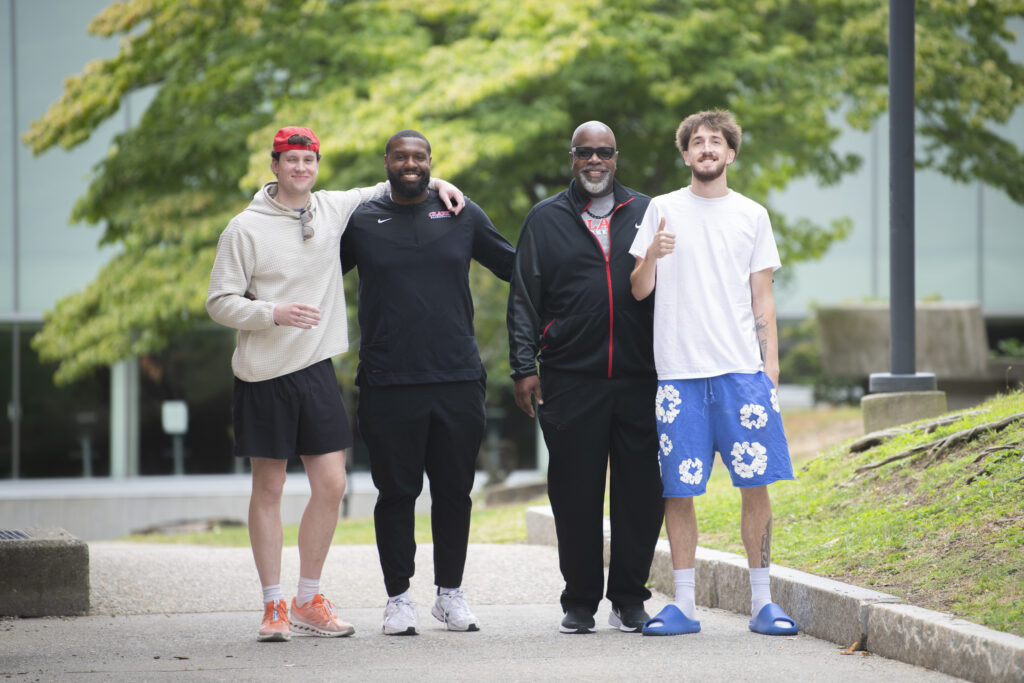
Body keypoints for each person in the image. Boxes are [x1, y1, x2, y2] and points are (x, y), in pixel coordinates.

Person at [206, 126, 465, 642]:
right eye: (291, 160)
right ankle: (273, 605)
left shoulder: (331, 208)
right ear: (275, 166)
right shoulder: (243, 228)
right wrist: (272, 312)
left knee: (332, 485)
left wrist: (444, 184)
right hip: (264, 374)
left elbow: (394, 180)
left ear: (316, 165)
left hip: (317, 369)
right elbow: (219, 302)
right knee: (270, 487)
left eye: (309, 159)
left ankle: (307, 598)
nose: (301, 168)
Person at [628, 110, 798, 637]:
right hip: (678, 374)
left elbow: (762, 296)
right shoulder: (661, 209)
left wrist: (769, 366)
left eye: (715, 142)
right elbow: (638, 289)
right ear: (685, 155)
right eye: (696, 142)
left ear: (730, 153)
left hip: (741, 372)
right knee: (679, 490)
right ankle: (683, 605)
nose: (706, 149)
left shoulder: (752, 214)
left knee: (757, 485)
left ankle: (763, 602)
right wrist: (651, 255)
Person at [341, 129, 515, 636]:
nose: (410, 164)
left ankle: (450, 595)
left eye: (419, 157)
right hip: (386, 379)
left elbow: (514, 267)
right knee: (396, 493)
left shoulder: (461, 213)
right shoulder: (362, 220)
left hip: (458, 377)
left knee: (455, 492)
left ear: (430, 162)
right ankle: (398, 598)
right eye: (401, 156)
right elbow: (316, 273)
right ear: (388, 162)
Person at [506, 121, 664, 634]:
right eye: (584, 153)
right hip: (570, 378)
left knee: (640, 494)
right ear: (571, 158)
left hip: (643, 376)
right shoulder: (545, 218)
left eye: (604, 153)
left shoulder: (646, 211)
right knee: (574, 494)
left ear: (617, 158)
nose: (594, 161)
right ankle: (579, 601)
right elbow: (524, 298)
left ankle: (629, 599)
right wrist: (523, 367)